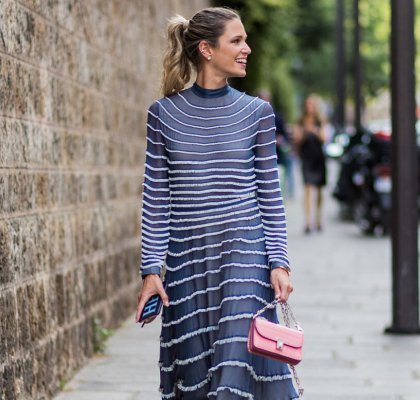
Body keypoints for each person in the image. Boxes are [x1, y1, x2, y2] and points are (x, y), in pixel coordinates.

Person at [134, 7, 299, 399]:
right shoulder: (163, 115)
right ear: (207, 49)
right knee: (194, 377)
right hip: (186, 262)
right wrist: (151, 268)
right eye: (237, 41)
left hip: (244, 257)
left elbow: (269, 195)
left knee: (234, 367)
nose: (248, 48)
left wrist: (278, 261)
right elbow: (156, 197)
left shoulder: (258, 113)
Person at [294, 95, 326, 234]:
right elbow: (297, 139)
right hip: (306, 158)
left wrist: (315, 130)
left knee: (319, 189)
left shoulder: (320, 120)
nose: (309, 107)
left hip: (318, 157)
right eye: (307, 104)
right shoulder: (300, 120)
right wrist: (304, 132)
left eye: (312, 104)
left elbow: (324, 138)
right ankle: (307, 221)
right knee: (307, 188)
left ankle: (318, 218)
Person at [258, 90, 296, 199]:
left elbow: (284, 136)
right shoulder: (253, 116)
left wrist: (279, 139)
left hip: (276, 154)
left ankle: (283, 194)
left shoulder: (277, 117)